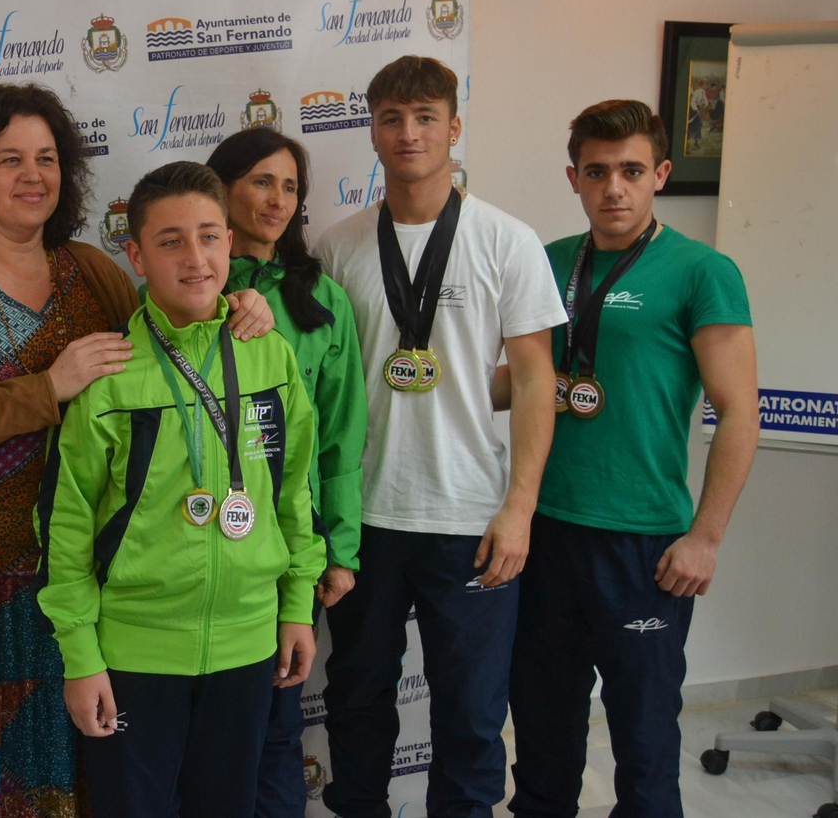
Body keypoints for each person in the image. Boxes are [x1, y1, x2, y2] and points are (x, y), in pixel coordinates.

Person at [0, 85, 274, 817]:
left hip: (78, 593)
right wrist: (48, 387)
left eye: (47, 158)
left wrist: (240, 306)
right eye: (10, 159)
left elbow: (172, 332)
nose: (33, 175)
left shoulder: (94, 271)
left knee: (75, 780)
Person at [313, 55, 564, 818]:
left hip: (471, 516)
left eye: (425, 117)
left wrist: (519, 508)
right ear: (373, 131)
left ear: (453, 128)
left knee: (471, 713)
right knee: (356, 700)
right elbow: (325, 391)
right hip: (366, 517)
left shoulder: (506, 241)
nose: (408, 132)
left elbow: (531, 381)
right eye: (391, 118)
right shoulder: (339, 246)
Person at [37, 160, 326, 818]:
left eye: (209, 236)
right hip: (135, 651)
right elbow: (66, 526)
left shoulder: (269, 354)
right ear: (136, 255)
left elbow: (294, 495)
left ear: (231, 241)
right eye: (170, 242)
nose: (194, 258)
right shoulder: (109, 371)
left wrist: (296, 605)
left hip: (249, 643)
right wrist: (81, 656)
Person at [498, 100, 758, 818]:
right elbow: (511, 384)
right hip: (545, 533)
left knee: (643, 747)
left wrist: (704, 538)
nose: (614, 187)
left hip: (644, 543)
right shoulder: (547, 262)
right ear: (575, 178)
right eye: (598, 171)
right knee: (544, 738)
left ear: (661, 175)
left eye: (632, 171)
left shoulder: (703, 271)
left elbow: (739, 410)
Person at [206, 128, 369, 817]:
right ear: (222, 188)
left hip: (285, 553)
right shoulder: (187, 284)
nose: (277, 200)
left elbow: (339, 441)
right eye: (261, 182)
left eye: (290, 186)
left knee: (277, 729)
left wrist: (341, 550)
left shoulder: (321, 299)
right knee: (204, 736)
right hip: (198, 549)